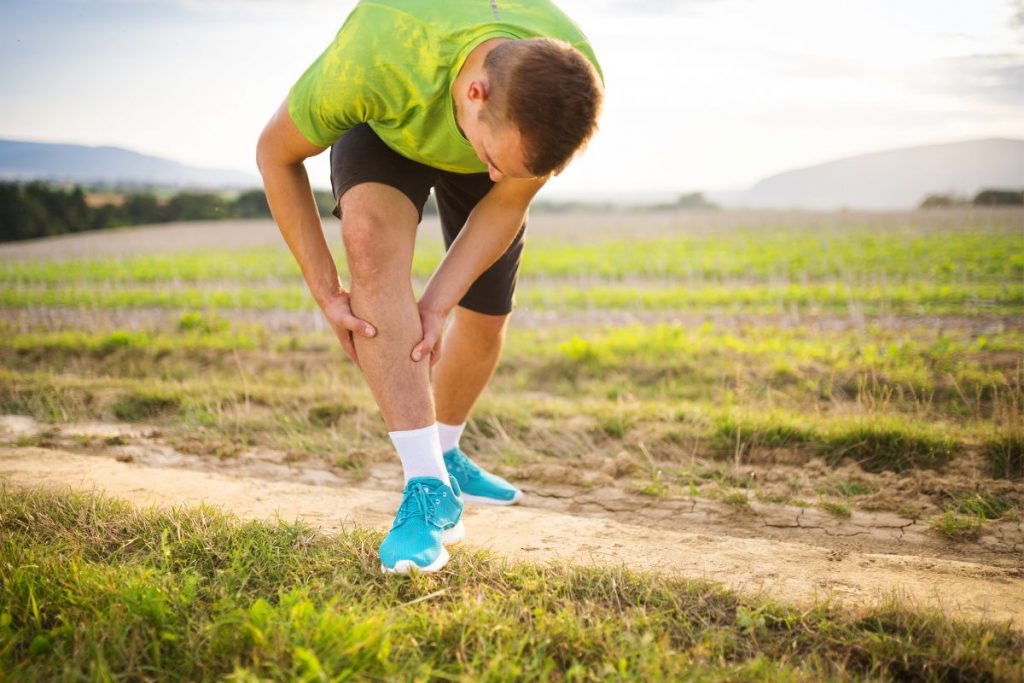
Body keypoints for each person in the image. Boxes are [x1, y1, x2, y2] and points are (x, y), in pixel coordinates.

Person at [256, 0, 603, 574]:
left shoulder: (567, 82)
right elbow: (275, 153)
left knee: (486, 311)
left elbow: (507, 194)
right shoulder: (377, 52)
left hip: (492, 128)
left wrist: (438, 301)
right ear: (475, 94)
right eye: (495, 158)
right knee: (368, 239)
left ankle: (444, 450)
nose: (495, 174)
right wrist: (326, 289)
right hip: (392, 123)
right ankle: (427, 488)